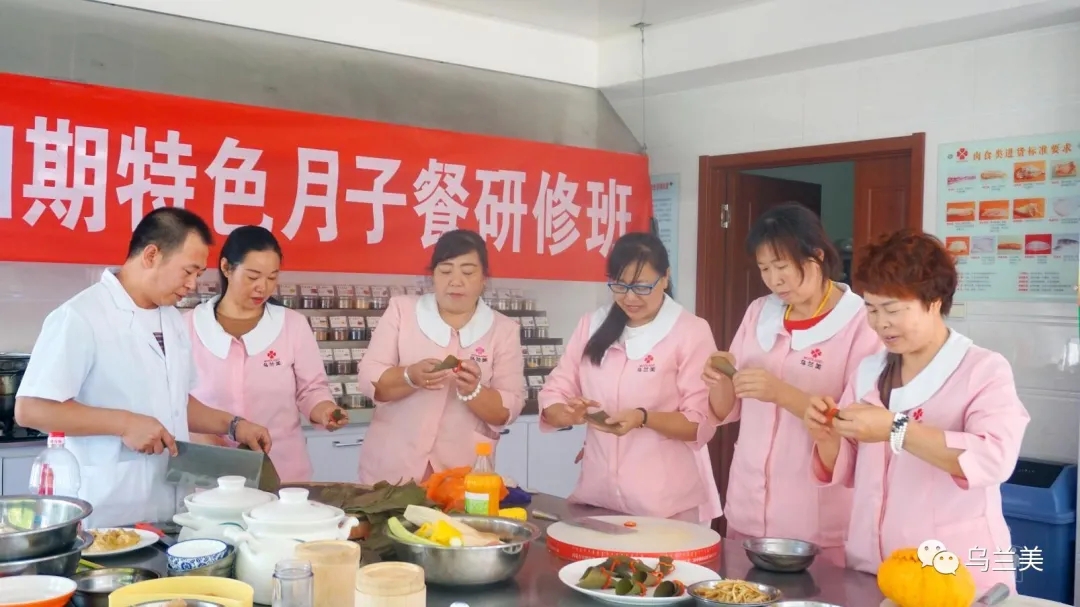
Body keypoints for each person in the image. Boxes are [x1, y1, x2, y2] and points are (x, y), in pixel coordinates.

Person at [14, 208, 272, 528]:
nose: (192, 284)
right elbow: (31, 409)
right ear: (151, 255)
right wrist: (124, 424)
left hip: (169, 509)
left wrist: (233, 425)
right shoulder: (81, 316)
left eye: (198, 274)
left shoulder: (172, 319)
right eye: (188, 271)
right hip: (106, 511)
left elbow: (176, 402)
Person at [804, 229, 1029, 593]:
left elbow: (994, 459)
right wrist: (826, 435)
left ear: (934, 301)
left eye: (893, 309)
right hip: (875, 567)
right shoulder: (869, 371)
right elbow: (850, 464)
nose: (880, 323)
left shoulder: (983, 370)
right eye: (871, 309)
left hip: (955, 573)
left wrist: (897, 429)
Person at [702, 203, 880, 562]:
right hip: (747, 508)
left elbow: (858, 423)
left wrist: (781, 393)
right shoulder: (759, 312)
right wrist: (719, 379)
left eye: (782, 266)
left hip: (816, 519)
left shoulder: (860, 322)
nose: (774, 280)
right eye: (764, 268)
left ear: (816, 256)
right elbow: (727, 410)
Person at [539, 232, 722, 523]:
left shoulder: (690, 331)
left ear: (665, 277)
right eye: (620, 285)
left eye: (641, 287)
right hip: (599, 498)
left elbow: (699, 423)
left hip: (665, 508)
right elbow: (554, 392)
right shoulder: (592, 325)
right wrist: (567, 413)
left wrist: (643, 418)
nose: (630, 297)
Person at [356, 229, 525, 484]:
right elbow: (369, 377)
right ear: (433, 276)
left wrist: (474, 392)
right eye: (446, 271)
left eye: (468, 272)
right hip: (392, 467)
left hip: (462, 472)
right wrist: (409, 376)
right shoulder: (402, 311)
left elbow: (508, 408)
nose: (456, 281)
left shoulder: (504, 330)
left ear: (484, 279)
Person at [186, 226, 348, 483]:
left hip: (282, 470)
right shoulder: (188, 326)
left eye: (272, 278)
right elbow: (176, 400)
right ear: (226, 268)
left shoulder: (292, 325)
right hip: (212, 469)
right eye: (252, 276)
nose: (262, 287)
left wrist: (324, 410)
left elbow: (311, 389)